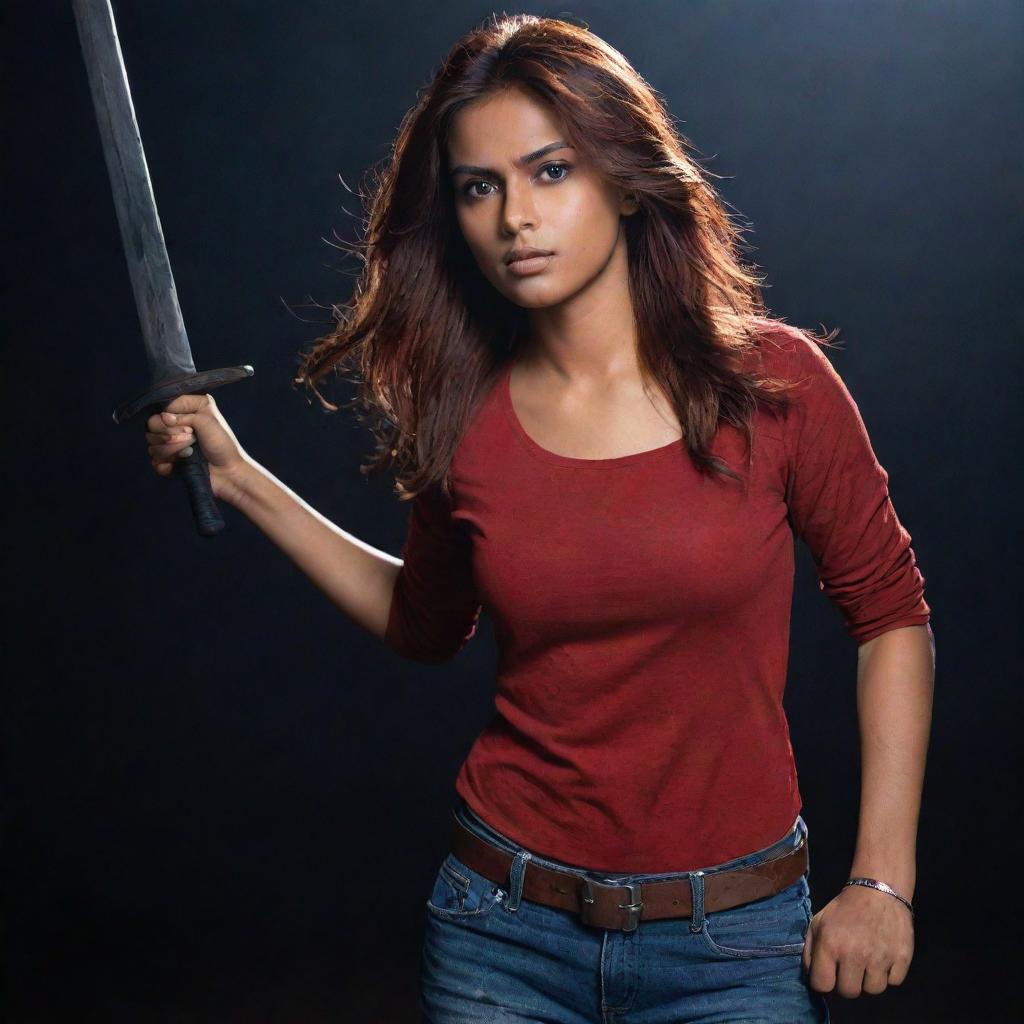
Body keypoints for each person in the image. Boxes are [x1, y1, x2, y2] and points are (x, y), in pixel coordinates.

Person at [143, 13, 934, 1023]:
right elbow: (425, 624)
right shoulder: (464, 410)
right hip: (500, 932)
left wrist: (879, 881)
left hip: (732, 941)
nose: (515, 215)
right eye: (481, 186)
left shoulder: (774, 384)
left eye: (550, 171)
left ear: (621, 172)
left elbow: (891, 618)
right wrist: (242, 476)